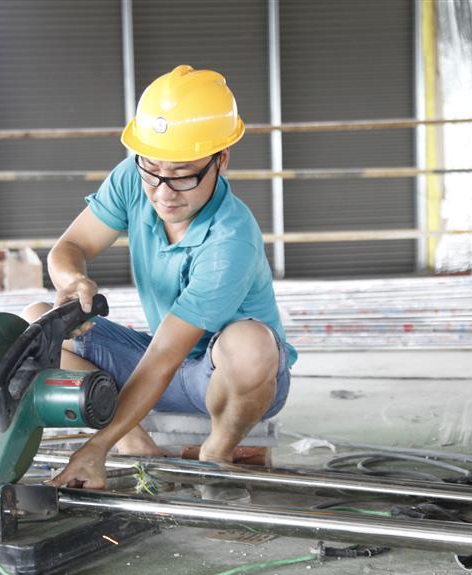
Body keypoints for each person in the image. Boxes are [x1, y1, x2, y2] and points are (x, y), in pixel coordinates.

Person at [22, 65, 297, 490]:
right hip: (165, 361)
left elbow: (165, 358)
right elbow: (68, 247)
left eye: (184, 174)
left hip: (227, 380)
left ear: (221, 159)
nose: (163, 192)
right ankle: (136, 445)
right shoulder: (135, 177)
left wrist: (94, 448)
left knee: (249, 346)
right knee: (37, 321)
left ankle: (218, 451)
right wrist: (72, 280)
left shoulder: (231, 239)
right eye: (153, 170)